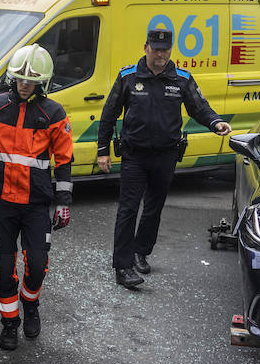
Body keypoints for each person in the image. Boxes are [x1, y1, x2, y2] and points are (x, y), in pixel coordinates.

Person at [95, 28, 230, 290]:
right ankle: (123, 266)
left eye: (165, 50)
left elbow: (198, 107)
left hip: (166, 154)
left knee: (154, 207)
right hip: (134, 154)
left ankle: (140, 251)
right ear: (146, 47)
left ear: (170, 50)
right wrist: (103, 151)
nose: (160, 55)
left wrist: (216, 122)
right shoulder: (128, 77)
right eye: (156, 50)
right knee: (128, 208)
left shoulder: (181, 78)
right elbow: (109, 114)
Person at [0, 45, 73, 350]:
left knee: (37, 265)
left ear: (43, 82)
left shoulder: (53, 113)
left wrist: (63, 203)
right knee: (3, 270)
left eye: (31, 81)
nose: (24, 85)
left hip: (36, 204)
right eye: (19, 79)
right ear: (12, 78)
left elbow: (64, 160)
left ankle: (31, 305)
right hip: (0, 203)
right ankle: (9, 324)